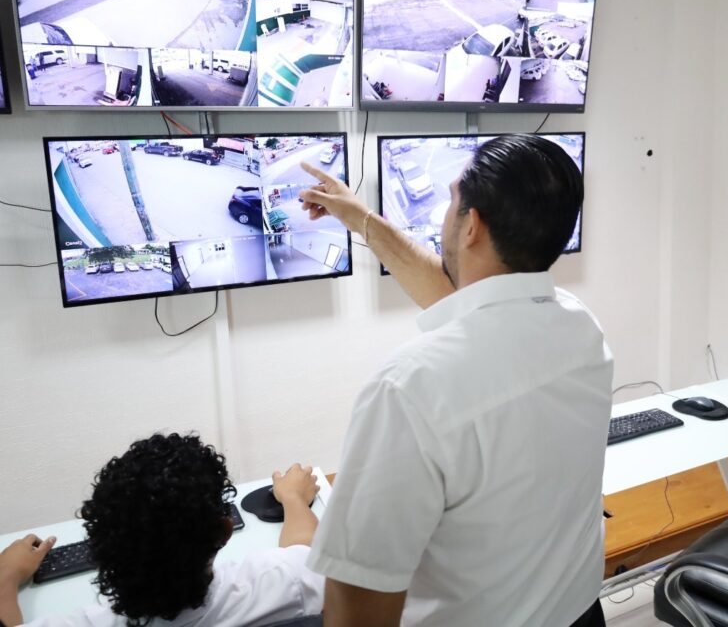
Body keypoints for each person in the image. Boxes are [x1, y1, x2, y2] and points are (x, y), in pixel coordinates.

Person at [297, 134, 613, 627]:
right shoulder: (583, 330)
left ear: (472, 226)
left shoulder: (409, 388)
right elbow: (468, 306)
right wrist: (361, 220)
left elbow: (359, 603)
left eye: (451, 201)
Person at [0, 433, 323, 627]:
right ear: (223, 532)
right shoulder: (279, 586)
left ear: (99, 545)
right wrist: (293, 498)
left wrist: (6, 575)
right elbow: (305, 551)